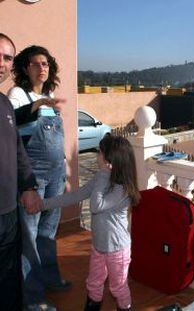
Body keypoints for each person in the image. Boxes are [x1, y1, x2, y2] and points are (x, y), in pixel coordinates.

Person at [43, 134, 140, 311]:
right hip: (99, 247)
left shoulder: (123, 190)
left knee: (118, 287)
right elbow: (76, 195)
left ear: (110, 160)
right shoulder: (102, 179)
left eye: (100, 153)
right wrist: (43, 204)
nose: (97, 156)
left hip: (117, 250)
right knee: (94, 283)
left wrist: (103, 174)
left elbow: (96, 206)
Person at [8, 45, 68, 310]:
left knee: (48, 231)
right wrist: (37, 105)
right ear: (25, 67)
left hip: (56, 173)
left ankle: (50, 278)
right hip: (34, 174)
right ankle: (32, 298)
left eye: (45, 63)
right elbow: (12, 124)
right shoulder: (18, 94)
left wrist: (64, 167)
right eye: (35, 64)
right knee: (29, 235)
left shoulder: (50, 94)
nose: (41, 68)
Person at [0, 33, 42, 311]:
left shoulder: (4, 104)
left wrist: (28, 187)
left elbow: (17, 149)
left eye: (7, 57)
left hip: (7, 214)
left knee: (8, 280)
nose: (1, 63)